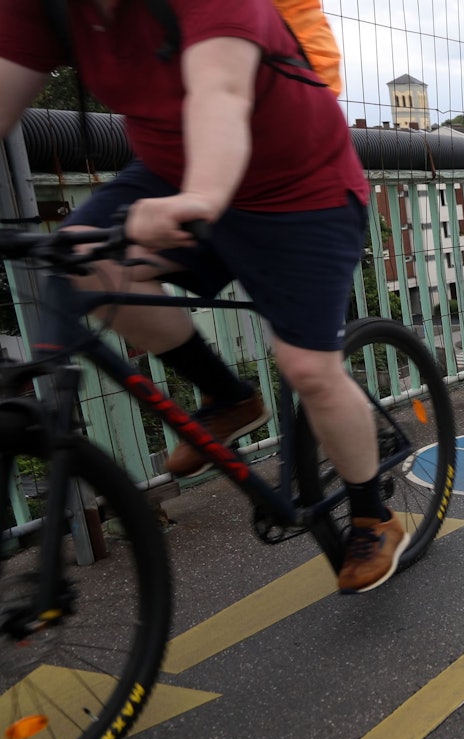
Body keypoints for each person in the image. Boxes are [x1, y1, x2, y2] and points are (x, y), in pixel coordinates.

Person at [0, 0, 408, 593]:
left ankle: (373, 514)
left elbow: (222, 91)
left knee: (307, 367)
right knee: (82, 263)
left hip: (298, 186)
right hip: (172, 170)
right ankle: (229, 397)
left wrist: (203, 197)